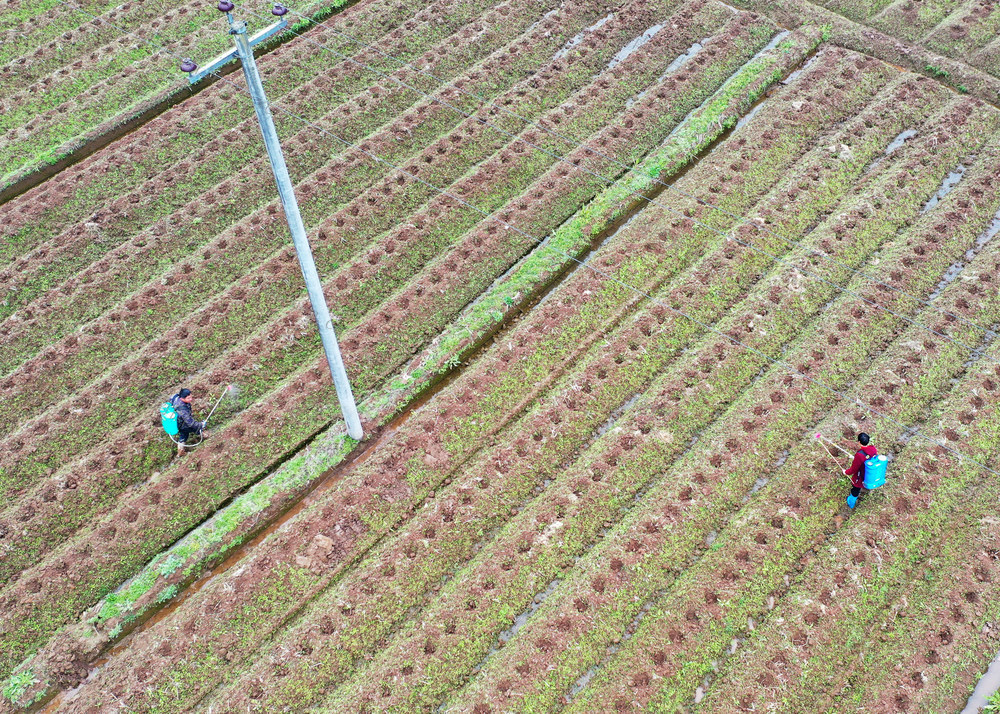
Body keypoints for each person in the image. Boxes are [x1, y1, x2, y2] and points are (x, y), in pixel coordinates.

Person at [843, 432, 877, 509]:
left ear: (859, 442)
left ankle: (851, 503)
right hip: (870, 474)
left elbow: (854, 469)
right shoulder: (873, 449)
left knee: (856, 488)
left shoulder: (860, 455)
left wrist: (845, 472)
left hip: (861, 476)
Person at [170, 388, 204, 456]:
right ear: (182, 398)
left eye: (191, 397)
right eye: (188, 398)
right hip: (180, 424)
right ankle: (202, 435)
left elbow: (171, 399)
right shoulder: (182, 408)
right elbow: (190, 423)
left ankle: (180, 451)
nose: (191, 399)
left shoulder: (176, 397)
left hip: (177, 420)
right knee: (190, 430)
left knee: (184, 434)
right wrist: (201, 424)